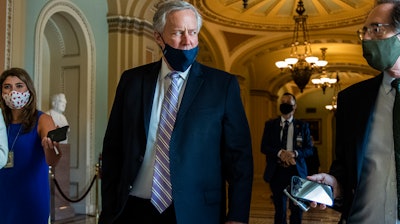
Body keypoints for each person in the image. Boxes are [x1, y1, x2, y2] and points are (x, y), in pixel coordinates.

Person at [99, 1, 253, 224]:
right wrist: (109, 210)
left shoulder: (222, 86)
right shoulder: (132, 81)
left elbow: (239, 157)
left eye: (193, 32)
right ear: (158, 37)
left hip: (197, 211)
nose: (188, 41)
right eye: (178, 33)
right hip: (134, 209)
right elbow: (113, 148)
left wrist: (238, 216)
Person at [308, 2, 400, 223]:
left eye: (376, 29)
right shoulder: (352, 100)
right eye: (364, 31)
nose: (366, 38)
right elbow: (345, 167)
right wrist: (335, 184)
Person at [0, 67, 61, 223]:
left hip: (31, 198)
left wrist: (49, 146)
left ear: (29, 89)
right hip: (3, 196)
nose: (13, 91)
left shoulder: (42, 119)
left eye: (19, 86)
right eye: (7, 87)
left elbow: (53, 160)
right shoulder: (1, 121)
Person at [261, 92, 313, 224]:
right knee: (280, 209)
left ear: (295, 106)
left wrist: (294, 153)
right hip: (277, 172)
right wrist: (280, 153)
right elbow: (264, 147)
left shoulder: (302, 126)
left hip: (296, 172)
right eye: (282, 103)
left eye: (288, 103)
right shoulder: (270, 125)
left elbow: (309, 149)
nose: (285, 105)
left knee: (296, 208)